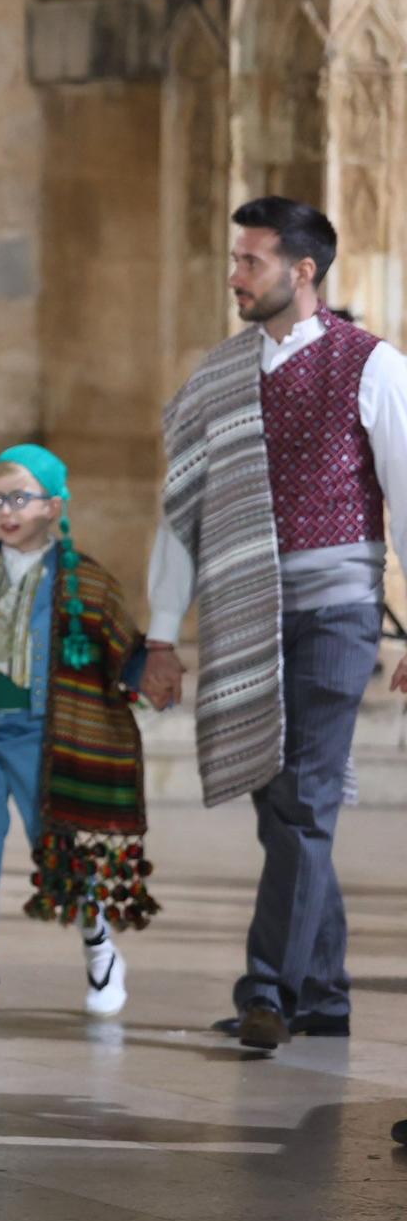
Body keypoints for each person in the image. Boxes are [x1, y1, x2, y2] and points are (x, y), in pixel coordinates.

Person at [143, 197, 407, 1052]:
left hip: (338, 611)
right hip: (243, 609)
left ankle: (269, 988)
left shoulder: (374, 367)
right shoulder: (218, 376)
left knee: (304, 794)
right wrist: (159, 633)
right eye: (233, 258)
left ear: (303, 271)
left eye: (249, 261)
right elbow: (180, 509)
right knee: (280, 798)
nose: (234, 275)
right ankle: (324, 992)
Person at [0, 445, 149, 1026]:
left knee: (63, 852)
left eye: (20, 497)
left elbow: (124, 649)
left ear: (53, 505)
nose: (6, 511)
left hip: (52, 741)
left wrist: (147, 681)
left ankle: (101, 951)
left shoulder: (85, 579)